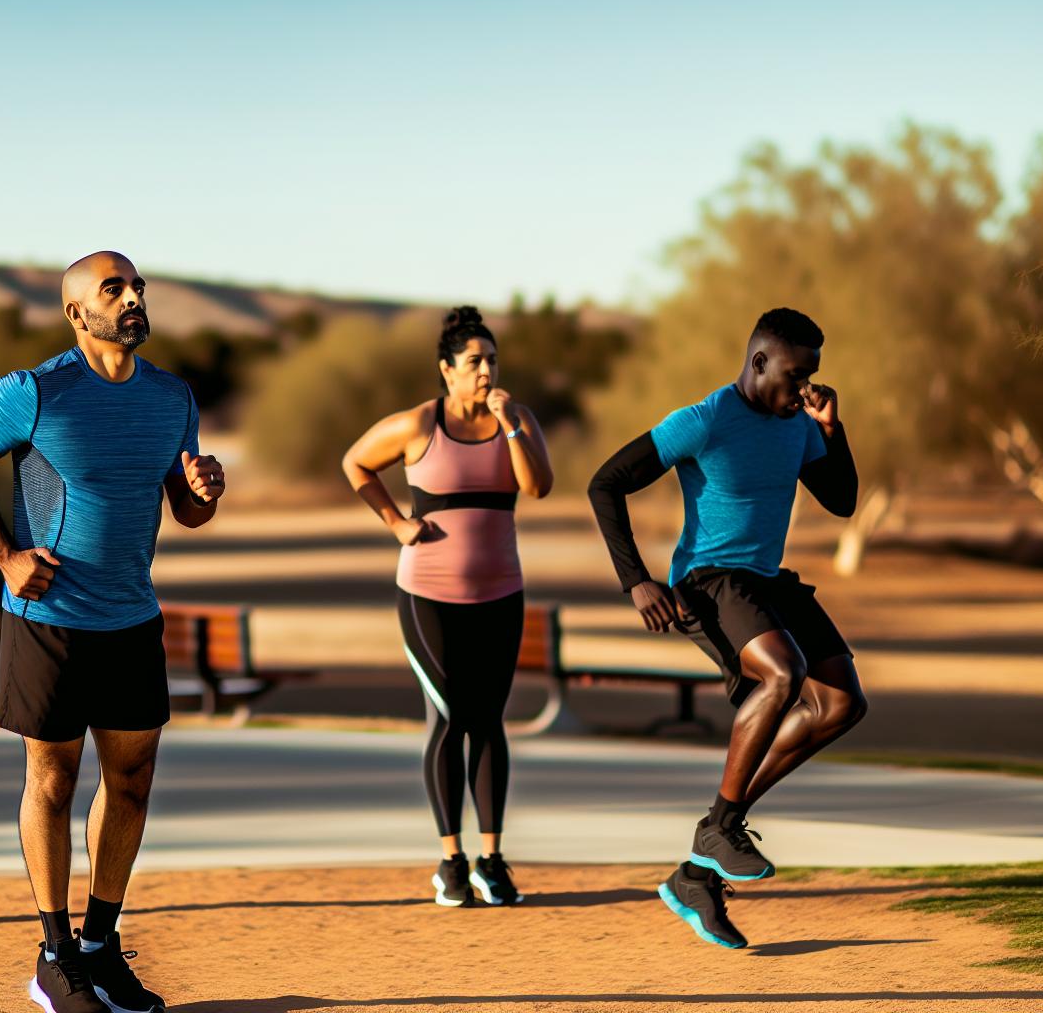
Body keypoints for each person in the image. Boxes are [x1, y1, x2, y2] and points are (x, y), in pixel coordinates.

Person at [0, 251, 222, 1013]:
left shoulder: (172, 399)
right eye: (114, 289)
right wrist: (5, 556)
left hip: (132, 618)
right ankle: (53, 955)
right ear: (77, 313)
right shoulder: (35, 392)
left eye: (137, 288)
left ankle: (101, 946)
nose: (133, 298)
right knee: (53, 783)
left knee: (131, 782)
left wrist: (203, 493)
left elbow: (186, 511)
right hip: (50, 622)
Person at [587, 307, 864, 949]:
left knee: (844, 702)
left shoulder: (800, 424)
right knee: (783, 673)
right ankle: (719, 833)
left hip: (767, 580)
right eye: (796, 376)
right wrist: (637, 580)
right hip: (710, 580)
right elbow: (606, 484)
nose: (804, 389)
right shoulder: (706, 419)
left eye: (812, 377)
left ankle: (702, 861)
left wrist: (833, 428)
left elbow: (844, 501)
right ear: (759, 361)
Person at [343, 305, 554, 907]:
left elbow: (537, 487)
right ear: (447, 370)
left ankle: (492, 858)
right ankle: (451, 862)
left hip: (502, 594)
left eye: (492, 360)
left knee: (490, 721)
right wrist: (395, 522)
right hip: (427, 597)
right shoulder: (418, 426)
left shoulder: (517, 419)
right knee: (451, 717)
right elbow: (355, 461)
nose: (486, 370)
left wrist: (510, 422)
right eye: (474, 362)